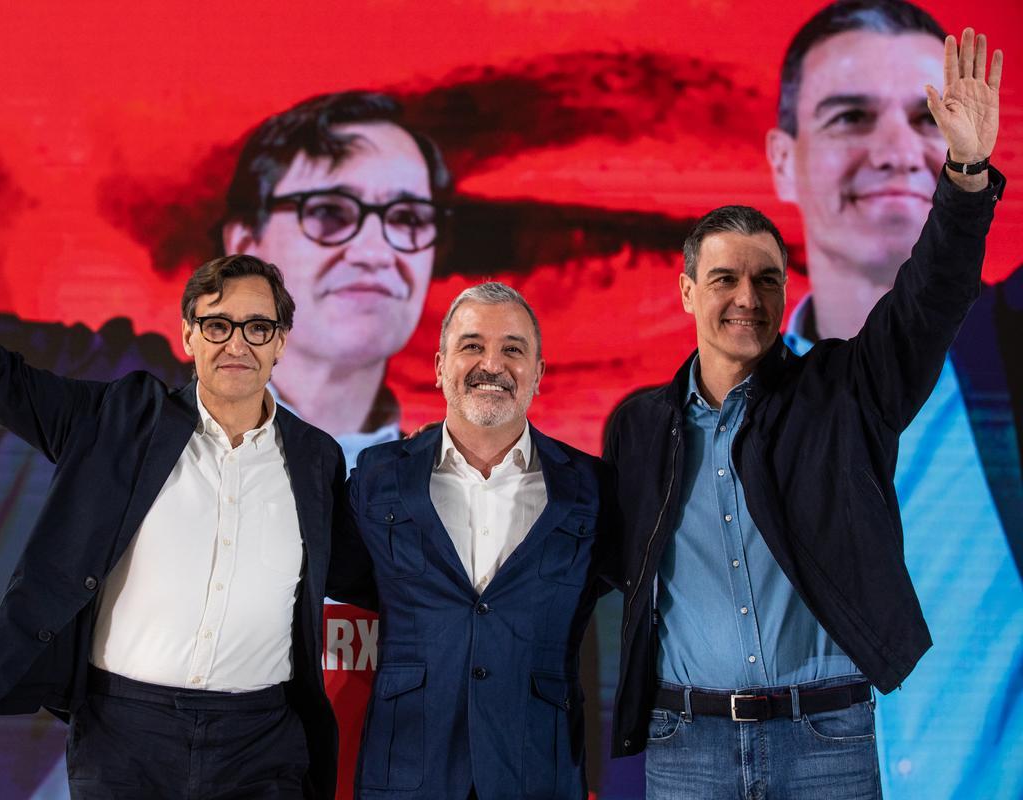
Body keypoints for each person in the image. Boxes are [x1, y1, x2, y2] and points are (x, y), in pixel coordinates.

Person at [0, 91, 447, 798]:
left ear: (279, 342)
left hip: (262, 743)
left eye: (406, 219)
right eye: (331, 213)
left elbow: (402, 581)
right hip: (124, 736)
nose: (237, 343)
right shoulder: (116, 415)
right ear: (188, 335)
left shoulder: (327, 464)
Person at [603, 27, 1004, 799]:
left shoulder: (848, 392)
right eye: (723, 279)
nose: (746, 299)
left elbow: (931, 297)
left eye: (766, 280)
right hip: (685, 743)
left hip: (826, 740)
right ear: (687, 292)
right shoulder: (639, 426)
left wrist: (964, 174)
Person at [764, 3, 1023, 796]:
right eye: (850, 117)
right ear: (782, 161)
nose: (899, 150)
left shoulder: (1009, 366)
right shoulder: (711, 415)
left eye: (932, 115)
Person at [329, 282, 612, 799]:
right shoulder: (376, 476)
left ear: (539, 373)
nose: (492, 364)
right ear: (439, 366)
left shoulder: (592, 487)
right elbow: (350, 578)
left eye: (513, 349)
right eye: (472, 346)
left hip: (538, 770)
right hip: (408, 767)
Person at [222, 91, 451, 467]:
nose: (375, 253)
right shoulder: (157, 448)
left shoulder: (445, 484)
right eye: (329, 212)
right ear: (246, 247)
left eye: (408, 218)